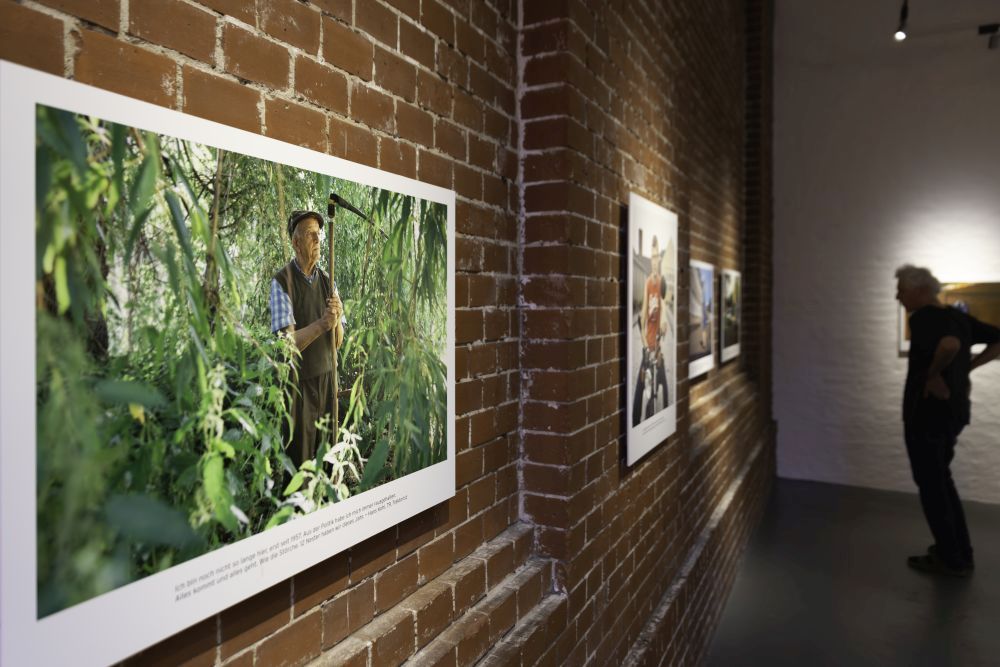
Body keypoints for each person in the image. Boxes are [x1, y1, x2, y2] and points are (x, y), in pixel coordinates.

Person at [895, 264, 1000, 576]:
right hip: (953, 412)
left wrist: (934, 373)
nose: (897, 295)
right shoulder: (957, 316)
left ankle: (951, 560)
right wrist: (968, 368)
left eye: (901, 289)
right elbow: (996, 341)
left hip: (927, 415)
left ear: (920, 290)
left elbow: (949, 345)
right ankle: (957, 551)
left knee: (932, 485)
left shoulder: (925, 317)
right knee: (942, 480)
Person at [270, 210, 345, 467]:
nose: (317, 239)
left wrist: (337, 320)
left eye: (319, 234)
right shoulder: (282, 282)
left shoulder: (328, 280)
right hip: (298, 386)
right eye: (310, 234)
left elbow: (338, 342)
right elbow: (286, 345)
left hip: (327, 380)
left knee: (328, 459)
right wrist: (323, 323)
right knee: (299, 463)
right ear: (296, 242)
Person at [633, 236, 669, 426]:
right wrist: (643, 339)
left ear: (659, 260)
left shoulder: (661, 282)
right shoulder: (648, 282)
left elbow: (662, 306)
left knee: (662, 385)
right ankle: (635, 421)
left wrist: (663, 325)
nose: (654, 261)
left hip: (658, 344)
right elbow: (644, 310)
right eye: (652, 256)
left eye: (657, 256)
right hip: (648, 343)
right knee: (641, 388)